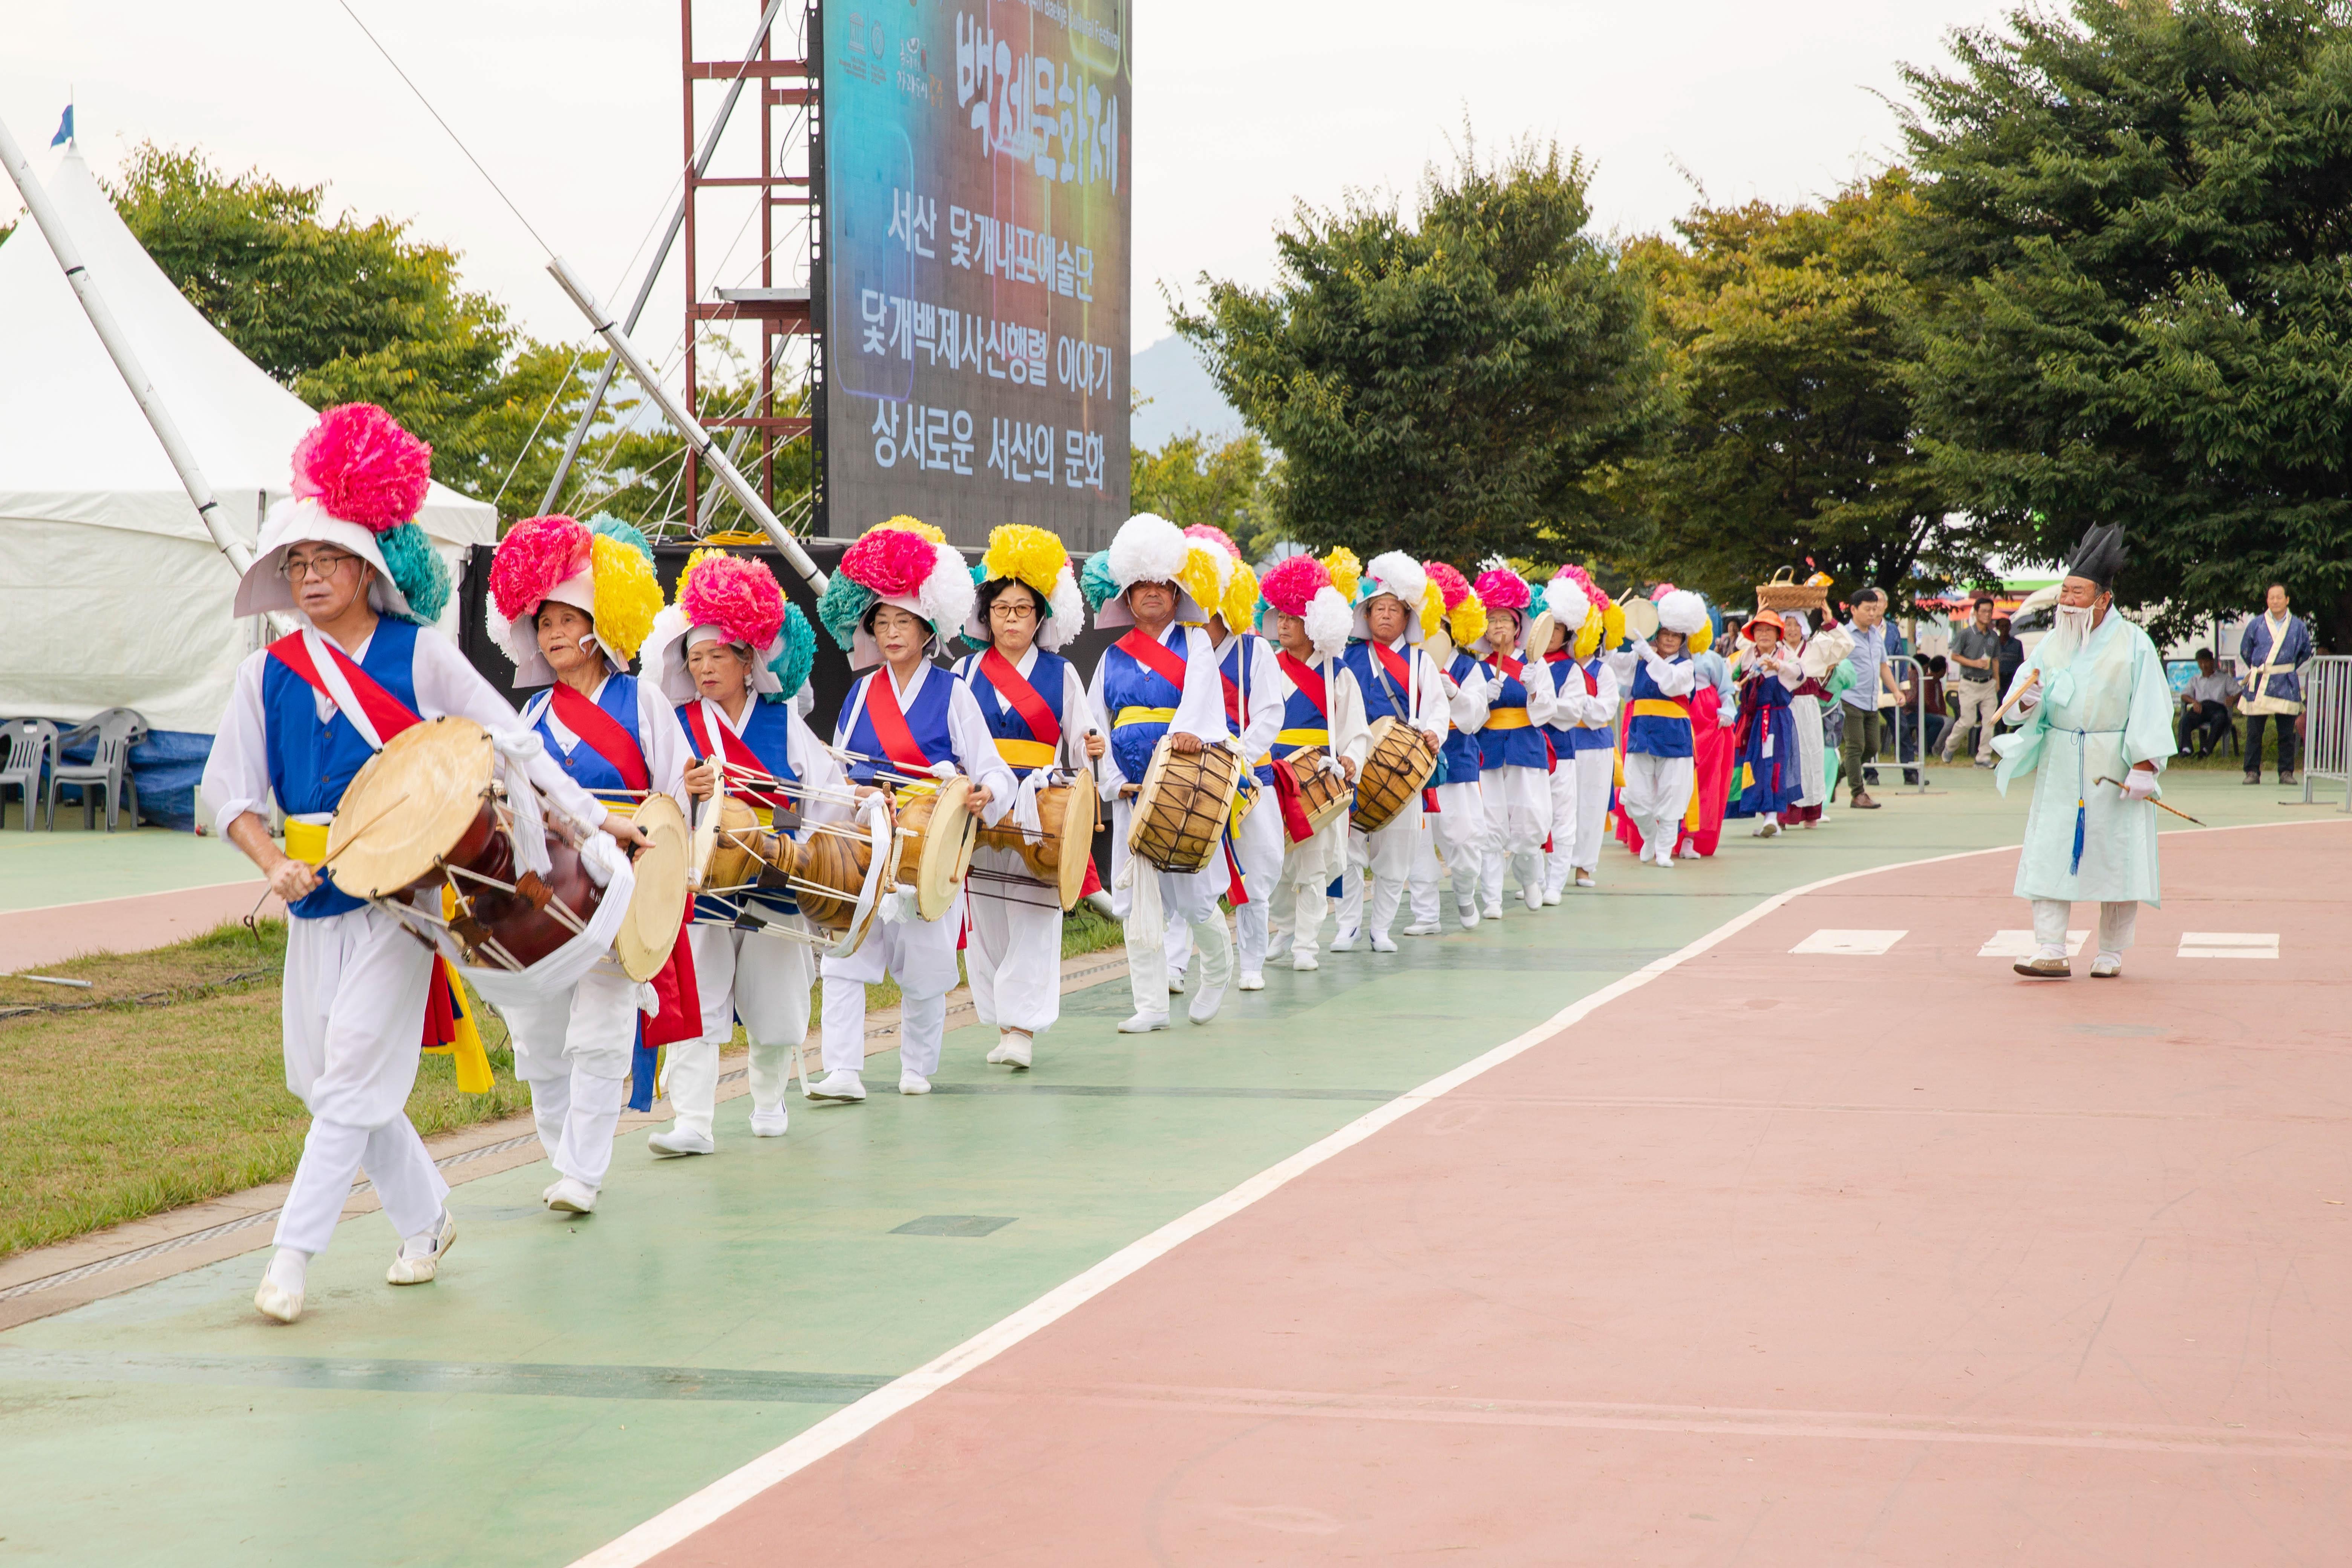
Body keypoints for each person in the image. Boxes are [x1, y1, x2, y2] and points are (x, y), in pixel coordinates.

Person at [203, 403, 643, 1324]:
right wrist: (272, 860)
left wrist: (594, 826)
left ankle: (290, 1259)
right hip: (313, 893)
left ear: (368, 567)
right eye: (297, 562)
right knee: (318, 1079)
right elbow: (231, 797)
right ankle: (426, 1215)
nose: (310, 576)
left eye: (326, 559)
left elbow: (515, 742)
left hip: (407, 899)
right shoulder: (265, 673)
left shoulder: (423, 653)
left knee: (355, 1066)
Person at [487, 513, 695, 1214]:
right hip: (541, 891)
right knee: (539, 1036)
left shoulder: (646, 703)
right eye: (541, 620)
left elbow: (671, 803)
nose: (550, 633)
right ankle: (562, 1151)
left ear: (600, 623)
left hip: (618, 889)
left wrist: (658, 873)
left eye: (565, 618)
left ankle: (583, 1171)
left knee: (600, 1031)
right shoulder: (531, 714)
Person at [644, 549, 845, 1153]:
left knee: (775, 996)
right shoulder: (676, 722)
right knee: (699, 993)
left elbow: (823, 795)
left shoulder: (784, 723)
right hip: (702, 879)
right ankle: (694, 1122)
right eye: (695, 658)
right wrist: (689, 791)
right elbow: (655, 797)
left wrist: (793, 847)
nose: (705, 668)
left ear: (747, 660)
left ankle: (768, 1098)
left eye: (716, 656)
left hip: (774, 874)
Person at [810, 518, 1013, 1098]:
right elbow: (839, 769)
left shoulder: (953, 691)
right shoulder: (859, 692)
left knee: (924, 970)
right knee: (846, 956)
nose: (892, 633)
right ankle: (843, 1070)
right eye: (883, 623)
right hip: (871, 841)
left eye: (904, 622)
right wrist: (855, 794)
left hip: (930, 843)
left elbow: (993, 768)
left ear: (928, 631)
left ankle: (917, 1068)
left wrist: (986, 794)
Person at [1994, 523, 2173, 979]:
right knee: (2052, 848)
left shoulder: (2135, 643)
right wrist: (2026, 703)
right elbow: (2021, 695)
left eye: (2078, 593)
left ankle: (2111, 950)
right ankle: (2050, 946)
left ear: (2103, 599)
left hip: (2111, 762)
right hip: (2061, 761)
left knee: (2117, 852)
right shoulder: (2053, 644)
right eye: (2065, 592)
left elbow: (2150, 704)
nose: (2067, 601)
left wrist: (2145, 764)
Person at [1083, 513, 1238, 1032]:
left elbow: (1201, 703)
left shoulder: (1195, 643)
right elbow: (1095, 726)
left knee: (1191, 897)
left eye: (1161, 585)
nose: (1151, 593)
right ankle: (1150, 1005)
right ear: (1127, 598)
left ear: (1176, 594)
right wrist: (1109, 777)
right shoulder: (1110, 657)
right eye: (1140, 586)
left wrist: (1190, 740)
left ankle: (1217, 967)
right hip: (1131, 791)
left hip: (1180, 788)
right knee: (1137, 902)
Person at [953, 525, 1098, 1069]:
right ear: (985, 617)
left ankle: (1023, 1030)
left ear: (1041, 618)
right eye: (1001, 609)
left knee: (1035, 915)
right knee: (987, 917)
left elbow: (1081, 745)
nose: (1011, 619)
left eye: (1022, 610)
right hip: (982, 801)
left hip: (1038, 804)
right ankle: (1001, 1020)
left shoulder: (1062, 674)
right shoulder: (964, 672)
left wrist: (1091, 749)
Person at [1164, 528, 1280, 992]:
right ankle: (1174, 965)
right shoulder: (1178, 652)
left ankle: (1252, 962)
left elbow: (1271, 712)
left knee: (1257, 868)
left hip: (1249, 777)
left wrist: (1239, 755)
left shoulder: (1256, 650)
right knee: (1183, 869)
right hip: (1191, 778)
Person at [1251, 553, 1367, 969]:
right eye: (1279, 615)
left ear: (1315, 622)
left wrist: (1351, 759)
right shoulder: (1264, 666)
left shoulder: (1340, 673)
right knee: (1274, 860)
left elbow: (1357, 730)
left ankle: (1306, 944)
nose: (1282, 624)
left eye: (1293, 617)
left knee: (1316, 863)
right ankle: (1284, 926)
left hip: (1319, 775)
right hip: (1273, 773)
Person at [1335, 551, 1453, 946]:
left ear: (1407, 617)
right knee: (1347, 851)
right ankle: (1347, 926)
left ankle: (1381, 928)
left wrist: (1435, 733)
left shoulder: (1421, 661)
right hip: (1354, 766)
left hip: (1403, 770)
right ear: (1366, 616)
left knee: (1397, 854)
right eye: (1377, 608)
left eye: (1393, 609)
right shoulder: (1346, 657)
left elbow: (1438, 710)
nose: (1385, 615)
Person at [1402, 561, 1489, 934]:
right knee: (1417, 840)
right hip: (1413, 762)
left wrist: (1453, 692)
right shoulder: (1406, 663)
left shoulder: (1469, 668)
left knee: (1463, 840)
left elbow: (1474, 720)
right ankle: (1426, 915)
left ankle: (1466, 891)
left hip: (1458, 761)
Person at [1469, 564, 1554, 915]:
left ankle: (1531, 880)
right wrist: (1483, 698)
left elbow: (1547, 711)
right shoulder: (1477, 666)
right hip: (1489, 749)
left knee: (1528, 821)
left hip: (1525, 747)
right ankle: (1491, 898)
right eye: (1492, 619)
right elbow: (1470, 717)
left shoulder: (1536, 665)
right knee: (1490, 825)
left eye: (1506, 618)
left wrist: (1533, 688)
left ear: (1519, 627)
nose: (1499, 625)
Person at [1614, 590, 1708, 867]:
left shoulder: (1685, 666)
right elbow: (1612, 664)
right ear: (1657, 633)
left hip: (1674, 736)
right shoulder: (1639, 660)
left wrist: (1650, 657)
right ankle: (1649, 834)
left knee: (1673, 794)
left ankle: (1665, 849)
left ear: (1683, 640)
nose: (1669, 639)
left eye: (1675, 636)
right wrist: (1610, 634)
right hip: (1641, 733)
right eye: (1665, 633)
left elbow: (1670, 684)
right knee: (1634, 797)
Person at [1530, 570, 1606, 898]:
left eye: (1557, 629)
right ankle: (1533, 879)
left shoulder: (1570, 669)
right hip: (1528, 752)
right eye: (1545, 626)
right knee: (1532, 818)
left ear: (1567, 635)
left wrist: (1542, 702)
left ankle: (1556, 882)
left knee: (1562, 817)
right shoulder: (1526, 664)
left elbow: (1572, 713)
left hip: (1560, 751)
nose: (1550, 634)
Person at [1726, 609, 1806, 835]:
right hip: (1750, 720)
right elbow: (1726, 677)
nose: (1764, 634)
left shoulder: (1786, 656)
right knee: (1749, 765)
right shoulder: (1743, 657)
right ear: (1752, 634)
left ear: (1777, 633)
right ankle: (1758, 812)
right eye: (1759, 630)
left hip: (1776, 720)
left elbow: (1801, 674)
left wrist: (1778, 667)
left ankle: (1772, 817)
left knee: (1774, 764)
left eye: (1769, 630)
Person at [2238, 583, 2311, 786]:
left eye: (2279, 597)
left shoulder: (2298, 626)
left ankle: (2286, 772)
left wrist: (2286, 668)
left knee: (2286, 732)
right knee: (2254, 732)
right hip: (2260, 681)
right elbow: (2246, 650)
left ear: (2287, 600)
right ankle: (2252, 771)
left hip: (2286, 681)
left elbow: (2305, 651)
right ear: (2267, 600)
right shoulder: (2256, 624)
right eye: (2272, 598)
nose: (2275, 601)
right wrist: (2263, 667)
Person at [1836, 587, 1899, 809]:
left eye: (1876, 609)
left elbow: (1884, 666)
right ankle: (1858, 794)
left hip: (1871, 699)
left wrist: (1896, 691)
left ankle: (1835, 775)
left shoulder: (1875, 635)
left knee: (1873, 747)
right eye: (1868, 609)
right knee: (1855, 746)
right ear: (1853, 610)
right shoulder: (1843, 635)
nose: (1873, 614)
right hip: (1849, 698)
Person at [1942, 595, 2003, 767]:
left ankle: (1983, 757)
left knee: (1990, 721)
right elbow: (1954, 656)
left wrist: (1997, 681)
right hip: (1969, 683)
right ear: (1975, 613)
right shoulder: (1965, 634)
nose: (1987, 615)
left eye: (1990, 612)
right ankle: (1950, 745)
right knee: (1967, 721)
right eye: (1983, 611)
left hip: (1988, 684)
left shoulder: (1993, 636)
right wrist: (1974, 663)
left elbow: (1996, 659)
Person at [2176, 649, 2235, 759]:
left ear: (2212, 662)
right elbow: (2184, 695)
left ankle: (2206, 749)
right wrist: (2194, 702)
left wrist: (2233, 698)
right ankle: (2186, 749)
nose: (2203, 666)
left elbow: (2238, 691)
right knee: (2185, 720)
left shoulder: (2224, 678)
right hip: (2201, 707)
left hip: (2218, 708)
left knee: (2221, 720)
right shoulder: (2195, 680)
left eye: (2206, 662)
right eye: (2200, 663)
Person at [1995, 616, 2026, 696]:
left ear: (2010, 627)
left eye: (2007, 626)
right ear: (1998, 627)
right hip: (1998, 677)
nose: (2005, 629)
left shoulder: (2017, 643)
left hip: (2012, 677)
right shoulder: (1994, 643)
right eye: (2002, 626)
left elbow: (2021, 662)